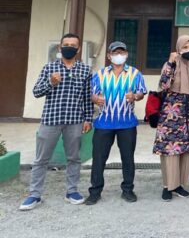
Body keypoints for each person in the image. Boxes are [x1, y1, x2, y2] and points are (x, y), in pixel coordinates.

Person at [19, 33, 93, 211]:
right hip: (50, 120)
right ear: (60, 48)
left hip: (74, 120)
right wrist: (51, 83)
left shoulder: (85, 70)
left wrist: (88, 119)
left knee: (74, 158)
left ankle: (72, 191)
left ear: (78, 49)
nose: (69, 47)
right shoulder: (49, 68)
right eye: (66, 44)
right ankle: (34, 195)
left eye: (73, 45)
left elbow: (87, 97)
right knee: (41, 159)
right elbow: (36, 92)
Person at [85, 41, 147, 205]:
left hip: (127, 123)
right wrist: (95, 98)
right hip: (104, 123)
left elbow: (141, 93)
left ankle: (128, 190)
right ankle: (95, 191)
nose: (118, 55)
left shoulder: (135, 73)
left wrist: (135, 96)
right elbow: (91, 95)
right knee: (99, 159)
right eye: (115, 53)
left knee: (128, 158)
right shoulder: (99, 74)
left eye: (122, 52)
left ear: (126, 55)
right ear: (109, 56)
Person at [153, 35, 189, 201]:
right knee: (171, 152)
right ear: (178, 49)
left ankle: (179, 185)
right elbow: (163, 85)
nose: (188, 50)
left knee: (186, 152)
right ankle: (167, 186)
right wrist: (171, 62)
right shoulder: (171, 65)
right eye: (185, 47)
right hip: (171, 117)